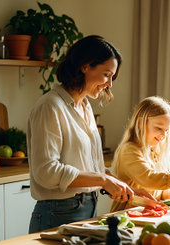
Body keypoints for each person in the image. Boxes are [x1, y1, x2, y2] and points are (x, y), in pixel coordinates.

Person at [27, 35, 153, 233]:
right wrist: (103, 180)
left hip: (86, 208)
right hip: (57, 213)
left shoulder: (84, 106)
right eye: (106, 74)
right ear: (85, 66)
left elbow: (91, 167)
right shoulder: (50, 106)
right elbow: (46, 172)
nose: (109, 83)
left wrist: (124, 188)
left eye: (112, 77)